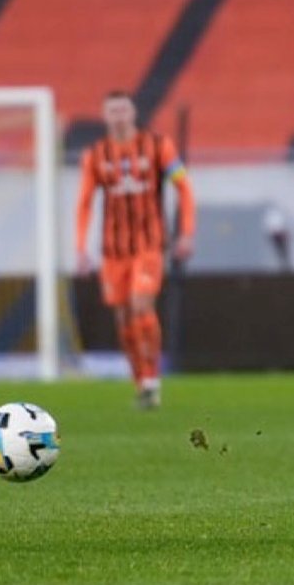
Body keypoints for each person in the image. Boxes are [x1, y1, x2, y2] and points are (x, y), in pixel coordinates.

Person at [76, 90, 196, 409]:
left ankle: (153, 377)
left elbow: (184, 189)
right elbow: (85, 202)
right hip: (113, 251)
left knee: (141, 305)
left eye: (123, 110)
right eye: (112, 111)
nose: (118, 116)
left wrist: (186, 233)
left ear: (133, 113)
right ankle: (141, 381)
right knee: (123, 318)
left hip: (149, 245)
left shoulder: (159, 146)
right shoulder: (95, 155)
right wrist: (80, 247)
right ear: (104, 116)